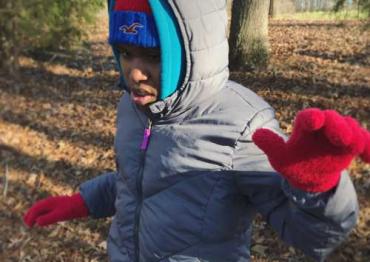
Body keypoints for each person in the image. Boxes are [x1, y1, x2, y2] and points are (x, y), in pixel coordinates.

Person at [23, 0, 370, 261]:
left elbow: (313, 236)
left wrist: (318, 187)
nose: (134, 72)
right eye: (125, 53)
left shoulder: (242, 124)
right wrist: (83, 200)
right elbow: (143, 181)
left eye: (153, 55)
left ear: (191, 53)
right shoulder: (132, 109)